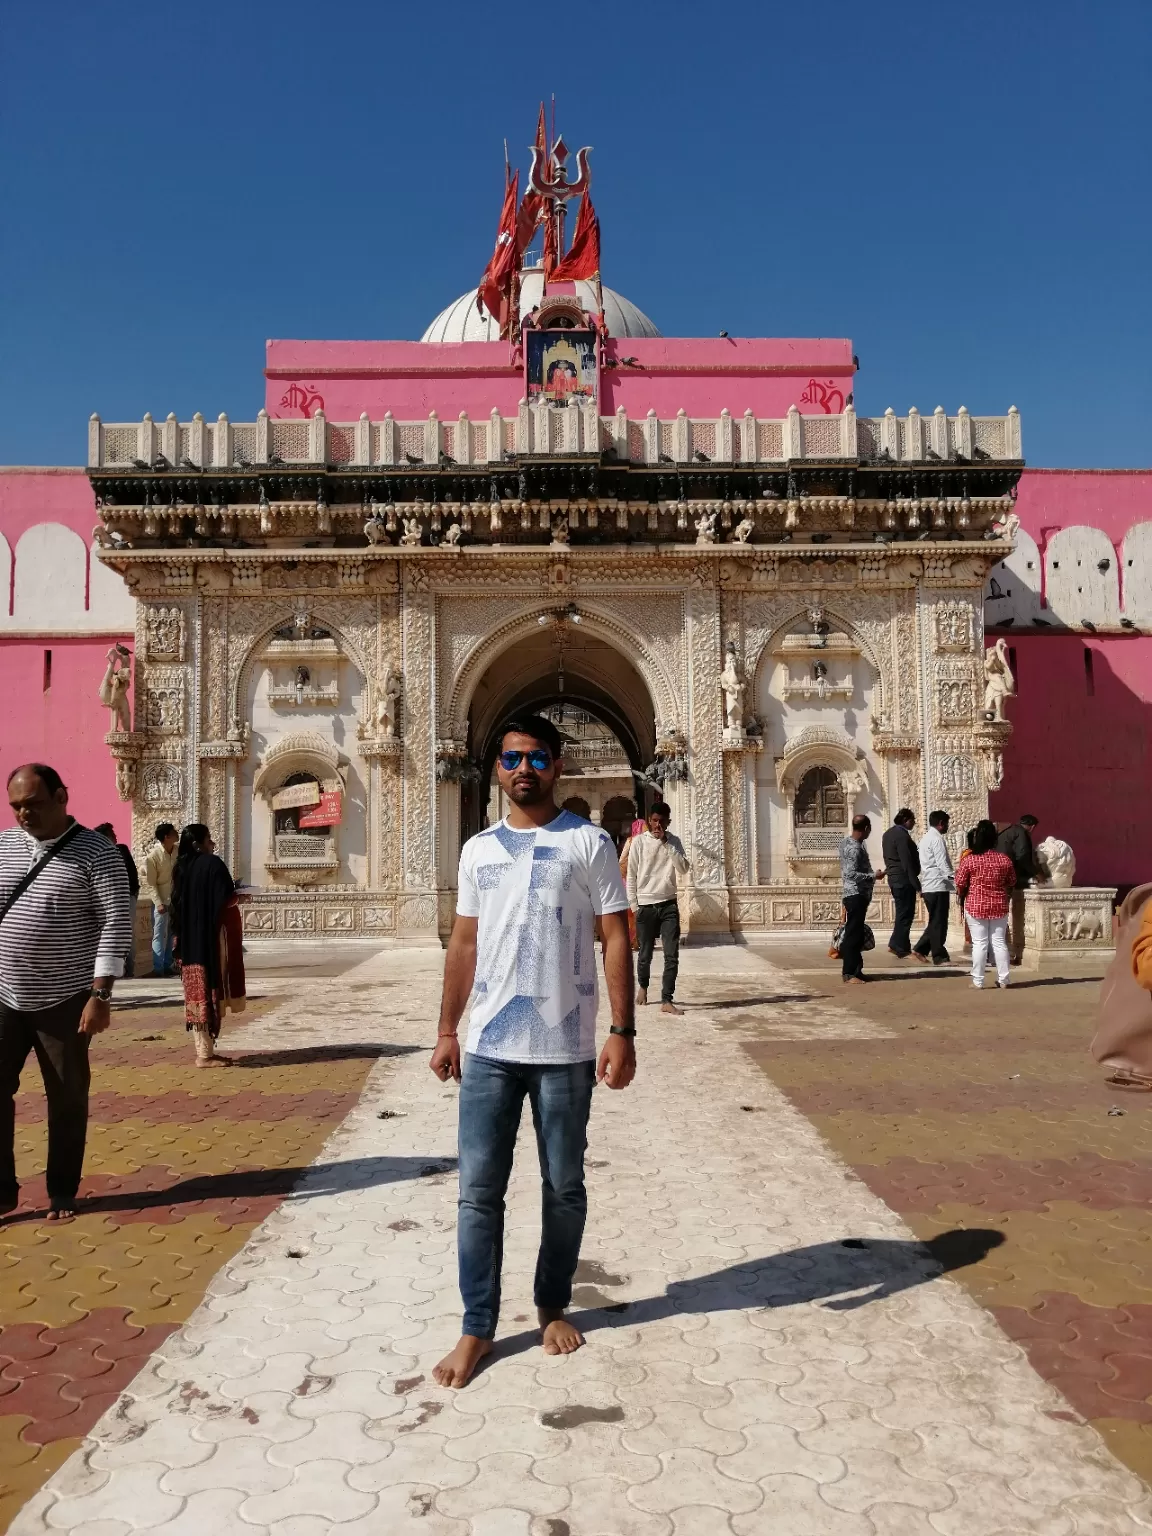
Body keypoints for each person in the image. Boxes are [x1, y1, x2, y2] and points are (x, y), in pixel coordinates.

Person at [430, 713, 635, 1389]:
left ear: (558, 766)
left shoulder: (589, 843)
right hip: (489, 1045)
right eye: (513, 757)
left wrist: (622, 1030)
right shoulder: (478, 851)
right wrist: (447, 1029)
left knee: (564, 1185)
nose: (525, 769)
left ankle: (551, 1304)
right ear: (496, 767)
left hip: (565, 1044)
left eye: (539, 758)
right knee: (477, 1193)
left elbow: (615, 936)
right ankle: (477, 1325)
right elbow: (463, 943)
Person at [0, 764, 131, 1221]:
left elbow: (116, 922)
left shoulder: (98, 853)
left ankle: (61, 1188)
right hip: (5, 996)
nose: (23, 814)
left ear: (61, 798)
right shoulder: (4, 847)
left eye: (33, 804)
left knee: (67, 1094)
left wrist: (102, 995)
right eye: (16, 805)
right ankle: (2, 1190)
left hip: (65, 999)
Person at [169, 824, 246, 1068]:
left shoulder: (181, 868)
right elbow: (226, 898)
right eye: (209, 839)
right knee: (211, 989)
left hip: (188, 942)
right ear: (199, 843)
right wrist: (241, 897)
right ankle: (204, 1055)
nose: (212, 844)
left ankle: (204, 1050)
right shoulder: (212, 864)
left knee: (195, 994)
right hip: (209, 940)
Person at [627, 802, 691, 1016]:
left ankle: (667, 999)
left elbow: (683, 868)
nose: (657, 825)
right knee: (645, 954)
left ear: (668, 822)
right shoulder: (638, 842)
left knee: (671, 955)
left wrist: (666, 843)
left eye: (662, 821)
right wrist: (635, 906)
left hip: (668, 905)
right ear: (648, 821)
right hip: (645, 906)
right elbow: (631, 875)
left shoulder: (673, 842)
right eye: (654, 820)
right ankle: (643, 987)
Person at [955, 819, 1016, 989]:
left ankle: (978, 980)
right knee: (998, 942)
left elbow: (960, 882)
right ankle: (1004, 980)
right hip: (998, 905)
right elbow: (1012, 881)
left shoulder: (970, 860)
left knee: (980, 943)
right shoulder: (1004, 860)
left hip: (976, 905)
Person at [95, 823, 140, 978]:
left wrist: (133, 894)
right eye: (111, 833)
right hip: (105, 901)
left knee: (127, 933)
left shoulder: (121, 850)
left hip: (126, 898)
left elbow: (132, 874)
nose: (115, 836)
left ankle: (128, 967)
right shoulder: (96, 854)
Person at [997, 814, 1040, 965]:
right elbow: (1022, 857)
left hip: (996, 877)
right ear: (1032, 826)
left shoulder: (1007, 831)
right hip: (1006, 878)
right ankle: (1008, 952)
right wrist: (1037, 873)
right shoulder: (1021, 834)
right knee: (1001, 916)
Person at [838, 814, 876, 985]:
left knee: (856, 933)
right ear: (866, 828)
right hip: (856, 895)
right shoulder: (854, 848)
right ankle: (849, 973)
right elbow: (850, 874)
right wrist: (874, 876)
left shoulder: (847, 842)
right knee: (853, 934)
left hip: (853, 895)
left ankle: (857, 970)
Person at [914, 810, 955, 966]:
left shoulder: (925, 839)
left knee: (935, 921)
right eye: (946, 824)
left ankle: (921, 948)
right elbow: (943, 864)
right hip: (938, 885)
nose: (947, 827)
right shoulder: (936, 839)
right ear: (941, 823)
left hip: (929, 884)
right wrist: (954, 882)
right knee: (939, 922)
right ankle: (939, 956)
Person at [882, 809, 920, 958]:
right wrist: (917, 885)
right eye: (912, 820)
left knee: (902, 913)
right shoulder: (902, 836)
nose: (914, 823)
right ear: (906, 820)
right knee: (905, 914)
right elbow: (906, 862)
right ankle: (901, 948)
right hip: (903, 880)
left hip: (894, 879)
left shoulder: (888, 834)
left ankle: (897, 944)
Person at [144, 823, 178, 977]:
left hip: (176, 899)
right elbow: (151, 883)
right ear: (167, 836)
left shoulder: (178, 852)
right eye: (174, 832)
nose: (177, 834)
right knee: (159, 934)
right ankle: (157, 968)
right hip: (162, 901)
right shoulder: (153, 857)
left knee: (172, 933)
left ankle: (168, 964)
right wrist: (158, 903)